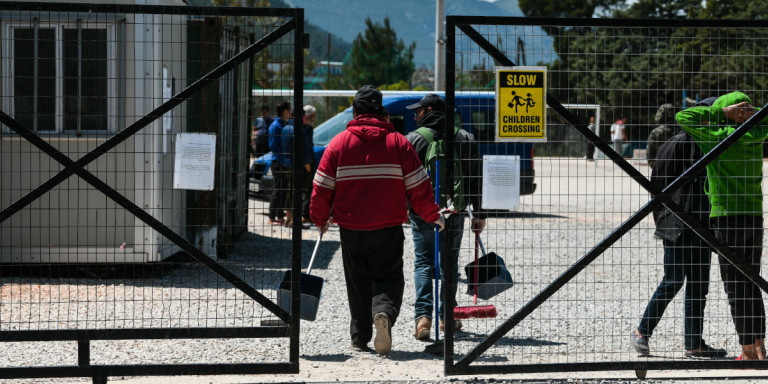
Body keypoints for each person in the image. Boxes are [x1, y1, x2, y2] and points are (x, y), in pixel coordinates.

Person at [310, 85, 444, 355]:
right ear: (382, 113)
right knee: (389, 277)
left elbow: (321, 188)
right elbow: (419, 187)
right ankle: (383, 313)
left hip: (351, 227)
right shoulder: (398, 143)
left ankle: (360, 337)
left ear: (356, 111)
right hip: (388, 227)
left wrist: (320, 218)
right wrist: (434, 216)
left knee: (357, 282)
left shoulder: (338, 143)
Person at [676, 91, 768, 360]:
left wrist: (721, 114)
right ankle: (760, 347)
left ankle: (747, 351)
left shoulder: (717, 137)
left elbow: (683, 116)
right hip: (754, 216)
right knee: (752, 280)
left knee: (735, 285)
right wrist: (754, 112)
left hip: (727, 217)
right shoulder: (756, 136)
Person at [632, 100, 726, 358]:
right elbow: (658, 186)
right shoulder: (676, 144)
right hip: (678, 224)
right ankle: (641, 332)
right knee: (673, 281)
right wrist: (663, 219)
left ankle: (694, 344)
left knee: (698, 284)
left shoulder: (706, 144)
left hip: (701, 224)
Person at [404, 93, 486, 340]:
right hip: (455, 211)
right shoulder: (465, 137)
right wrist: (479, 214)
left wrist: (406, 209)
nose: (415, 115)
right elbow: (475, 179)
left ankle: (423, 318)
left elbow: (405, 179)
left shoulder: (413, 140)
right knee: (449, 263)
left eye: (418, 111)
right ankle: (446, 316)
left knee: (423, 262)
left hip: (423, 212)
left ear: (428, 110)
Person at [280, 105, 314, 228]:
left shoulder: (285, 128)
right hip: (299, 168)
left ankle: (288, 219)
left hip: (287, 165)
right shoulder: (301, 130)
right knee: (299, 194)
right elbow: (304, 150)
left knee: (289, 193)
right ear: (302, 116)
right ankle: (295, 220)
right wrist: (308, 167)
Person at [268, 101, 292, 226]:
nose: (291, 111)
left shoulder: (283, 124)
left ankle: (280, 217)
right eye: (290, 109)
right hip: (278, 162)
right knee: (277, 190)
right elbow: (273, 145)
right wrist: (283, 160)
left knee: (283, 190)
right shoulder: (276, 126)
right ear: (285, 111)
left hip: (283, 162)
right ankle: (272, 217)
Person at [646, 104, 679, 168]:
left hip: (661, 170)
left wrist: (657, 169)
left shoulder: (656, 132)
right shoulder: (682, 131)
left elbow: (650, 155)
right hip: (680, 170)